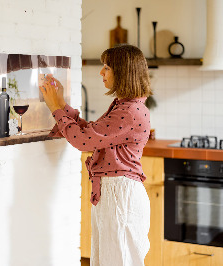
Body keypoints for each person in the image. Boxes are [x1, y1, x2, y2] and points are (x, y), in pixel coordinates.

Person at [40, 44, 152, 266]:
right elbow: (91, 133)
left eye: (107, 67)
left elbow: (83, 141)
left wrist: (55, 108)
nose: (101, 72)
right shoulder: (125, 106)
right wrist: (61, 103)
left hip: (120, 195)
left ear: (123, 72)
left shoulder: (129, 111)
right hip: (115, 193)